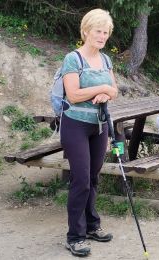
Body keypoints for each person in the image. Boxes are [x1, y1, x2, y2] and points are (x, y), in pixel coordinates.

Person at [60, 9, 118, 257]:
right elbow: (72, 95)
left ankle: (92, 225)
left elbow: (114, 90)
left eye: (106, 32)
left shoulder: (106, 60)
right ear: (86, 31)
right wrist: (102, 87)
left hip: (99, 125)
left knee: (93, 177)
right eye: (98, 31)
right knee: (81, 179)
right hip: (75, 125)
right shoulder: (73, 59)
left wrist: (107, 92)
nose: (102, 36)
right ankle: (75, 236)